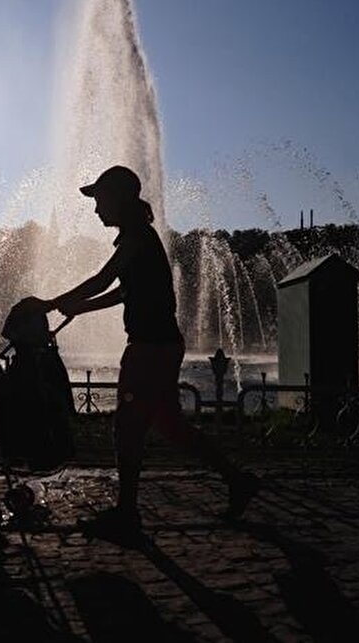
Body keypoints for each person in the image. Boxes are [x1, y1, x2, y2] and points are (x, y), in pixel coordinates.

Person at [36, 165, 258, 540]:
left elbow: (103, 279)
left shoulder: (137, 237)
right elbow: (125, 291)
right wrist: (79, 308)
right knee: (170, 425)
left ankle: (127, 513)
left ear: (119, 199)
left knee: (128, 428)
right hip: (161, 344)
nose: (96, 209)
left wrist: (50, 303)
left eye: (100, 200)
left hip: (149, 348)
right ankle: (237, 480)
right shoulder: (137, 238)